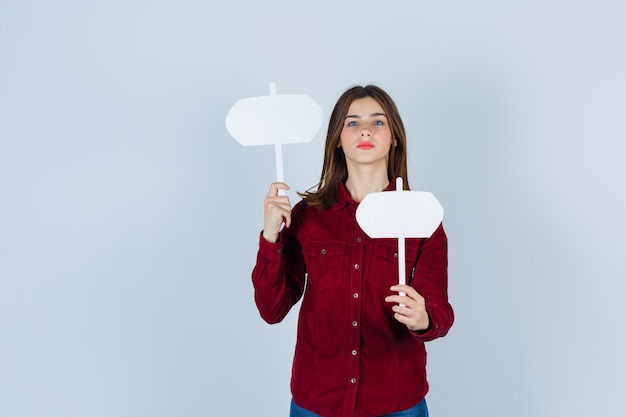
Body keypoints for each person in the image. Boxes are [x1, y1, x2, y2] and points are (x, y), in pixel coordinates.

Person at [252, 85, 454, 417]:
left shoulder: (422, 217)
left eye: (378, 122)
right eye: (352, 123)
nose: (364, 130)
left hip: (396, 402)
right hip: (317, 401)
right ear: (337, 139)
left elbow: (439, 308)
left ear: (394, 138)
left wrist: (424, 319)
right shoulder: (306, 217)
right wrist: (271, 236)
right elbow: (271, 309)